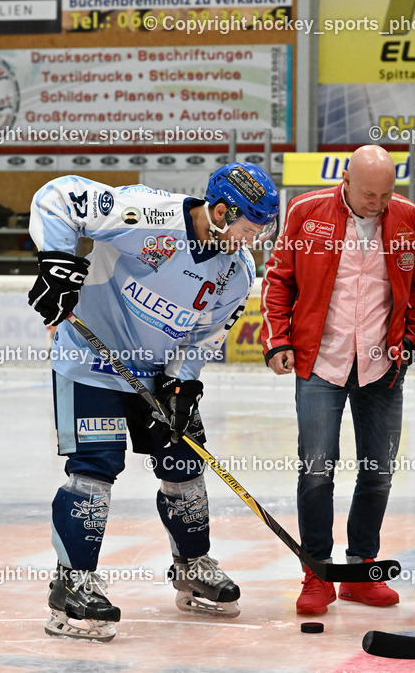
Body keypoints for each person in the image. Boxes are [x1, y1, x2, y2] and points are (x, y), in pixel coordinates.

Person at [27, 162, 279, 642]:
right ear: (221, 212)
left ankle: (192, 565)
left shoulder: (237, 271)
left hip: (157, 375)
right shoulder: (148, 214)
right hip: (91, 362)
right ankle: (72, 583)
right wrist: (57, 267)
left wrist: (182, 384)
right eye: (249, 230)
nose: (253, 242)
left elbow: (205, 335)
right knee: (94, 470)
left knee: (184, 465)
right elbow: (58, 197)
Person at [260, 145, 415, 616]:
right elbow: (278, 279)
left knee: (378, 471)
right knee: (317, 469)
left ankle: (361, 570)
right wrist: (278, 340)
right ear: (345, 179)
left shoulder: (408, 217)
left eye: (386, 194)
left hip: (383, 364)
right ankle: (317, 573)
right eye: (368, 194)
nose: (377, 204)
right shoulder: (305, 211)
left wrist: (411, 340)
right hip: (321, 362)